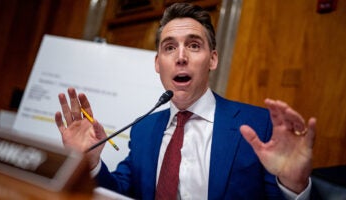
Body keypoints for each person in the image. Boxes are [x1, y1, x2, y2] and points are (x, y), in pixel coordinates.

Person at [55, 3, 317, 199]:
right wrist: (89, 163)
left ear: (212, 59)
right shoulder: (144, 129)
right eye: (169, 47)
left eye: (193, 45)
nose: (181, 57)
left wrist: (294, 186)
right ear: (158, 64)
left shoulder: (258, 125)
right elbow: (122, 193)